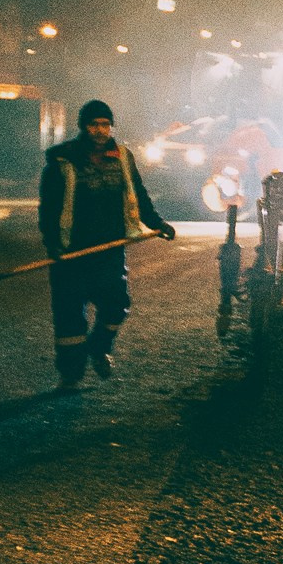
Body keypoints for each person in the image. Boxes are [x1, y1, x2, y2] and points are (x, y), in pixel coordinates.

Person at [39, 98, 175, 388]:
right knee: (70, 318)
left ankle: (98, 347)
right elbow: (48, 207)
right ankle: (71, 375)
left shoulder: (122, 157)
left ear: (111, 126)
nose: (100, 130)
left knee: (116, 305)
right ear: (83, 127)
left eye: (105, 124)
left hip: (110, 250)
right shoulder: (62, 160)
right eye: (94, 124)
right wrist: (52, 244)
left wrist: (157, 223)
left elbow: (137, 193)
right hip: (72, 252)